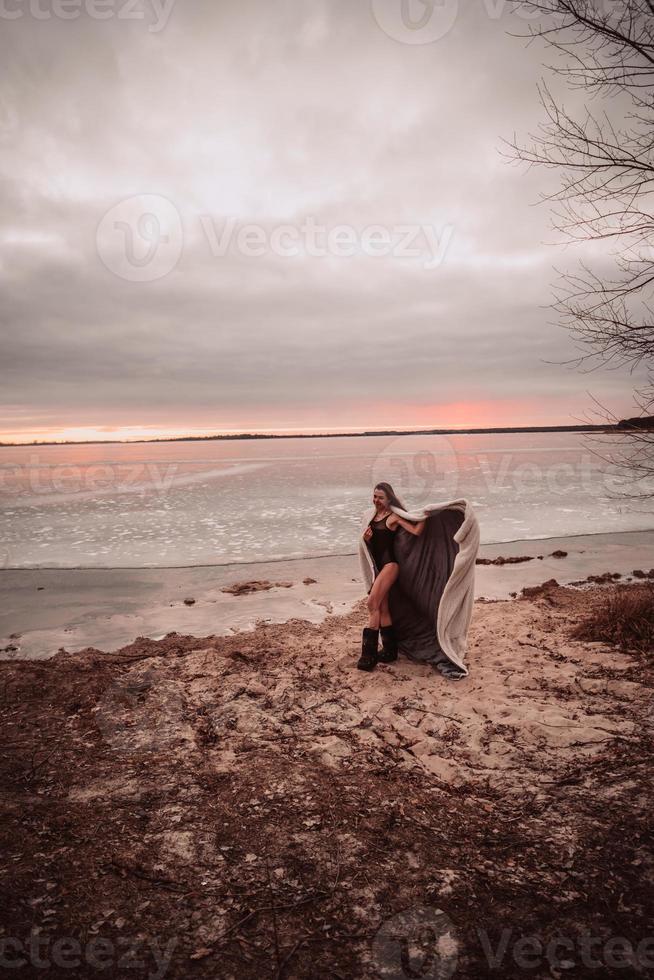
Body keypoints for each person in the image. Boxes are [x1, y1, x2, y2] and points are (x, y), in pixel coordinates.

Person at [357, 482, 425, 671]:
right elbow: (370, 546)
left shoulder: (393, 517)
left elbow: (416, 531)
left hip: (390, 566)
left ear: (389, 499)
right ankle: (389, 651)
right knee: (382, 608)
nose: (376, 500)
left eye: (380, 497)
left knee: (371, 604)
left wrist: (426, 515)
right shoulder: (371, 516)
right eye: (374, 496)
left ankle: (368, 655)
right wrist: (367, 540)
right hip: (377, 568)